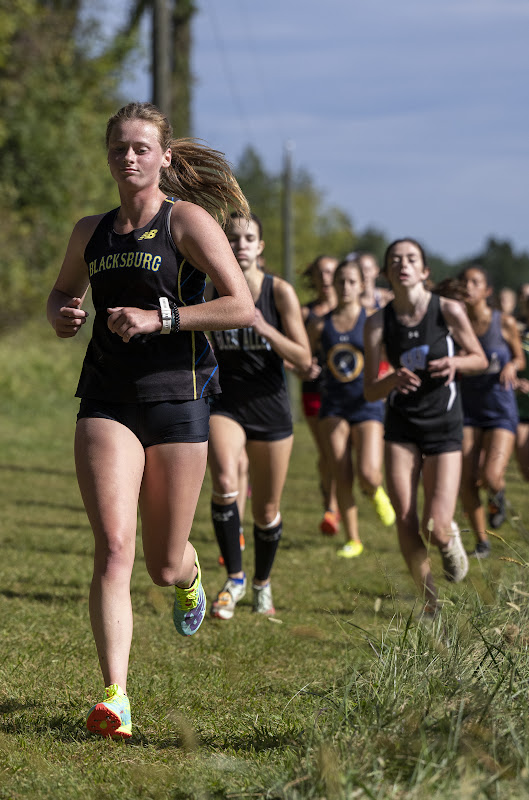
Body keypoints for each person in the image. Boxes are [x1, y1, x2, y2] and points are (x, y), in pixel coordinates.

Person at [46, 102, 254, 738]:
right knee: (114, 547)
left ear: (164, 158)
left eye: (141, 148)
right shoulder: (91, 231)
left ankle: (189, 576)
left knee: (163, 564)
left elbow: (240, 306)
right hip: (107, 399)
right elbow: (62, 292)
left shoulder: (185, 221)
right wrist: (62, 314)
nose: (129, 157)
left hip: (177, 398)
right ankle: (116, 697)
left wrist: (160, 318)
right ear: (108, 157)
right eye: (119, 148)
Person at [364, 239, 487, 617]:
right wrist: (393, 378)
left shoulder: (447, 310)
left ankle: (449, 542)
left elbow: (479, 359)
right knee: (405, 518)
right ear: (386, 272)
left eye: (411, 259)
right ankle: (431, 603)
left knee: (435, 526)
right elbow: (370, 390)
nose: (403, 264)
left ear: (424, 270)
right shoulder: (377, 322)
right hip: (401, 426)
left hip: (444, 425)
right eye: (395, 260)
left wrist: (456, 364)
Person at [207, 212, 312, 620]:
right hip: (226, 402)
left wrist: (265, 328)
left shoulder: (279, 291)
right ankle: (234, 579)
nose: (240, 245)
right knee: (225, 481)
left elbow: (304, 359)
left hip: (270, 407)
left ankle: (261, 584)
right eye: (232, 238)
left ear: (260, 246)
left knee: (266, 511)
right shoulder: (211, 288)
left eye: (248, 238)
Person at [307, 258, 395, 559]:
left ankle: (375, 490)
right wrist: (306, 367)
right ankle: (353, 539)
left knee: (368, 472)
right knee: (341, 473)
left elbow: (390, 357)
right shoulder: (320, 323)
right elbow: (304, 357)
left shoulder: (373, 319)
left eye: (351, 281)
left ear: (362, 285)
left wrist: (386, 379)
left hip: (367, 403)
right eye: (340, 281)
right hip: (333, 405)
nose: (345, 286)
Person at [459, 266, 524, 555]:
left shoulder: (504, 322)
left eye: (475, 282)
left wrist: (512, 365)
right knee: (467, 478)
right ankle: (481, 542)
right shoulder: (456, 324)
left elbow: (520, 357)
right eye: (464, 282)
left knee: (491, 475)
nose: (468, 286)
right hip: (467, 410)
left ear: (487, 291)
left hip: (500, 409)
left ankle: (498, 495)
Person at [298, 255, 340, 535]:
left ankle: (337, 499)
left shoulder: (355, 312)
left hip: (348, 392)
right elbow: (294, 352)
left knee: (341, 453)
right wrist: (302, 367)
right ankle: (331, 508)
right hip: (315, 390)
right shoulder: (305, 313)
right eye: (320, 273)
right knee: (328, 451)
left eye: (331, 272)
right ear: (312, 277)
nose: (325, 278)